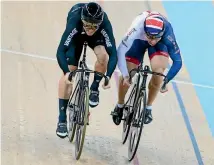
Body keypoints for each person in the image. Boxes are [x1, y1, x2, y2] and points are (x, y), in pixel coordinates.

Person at [56, 2, 117, 138]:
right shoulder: (75, 21)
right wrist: (66, 73)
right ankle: (62, 118)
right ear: (82, 20)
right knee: (70, 71)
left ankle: (94, 88)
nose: (90, 29)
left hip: (96, 39)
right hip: (76, 37)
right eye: (87, 25)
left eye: (94, 26)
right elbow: (61, 50)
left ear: (99, 23)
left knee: (103, 56)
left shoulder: (104, 24)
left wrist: (108, 76)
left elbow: (113, 54)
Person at [111, 11, 182, 125]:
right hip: (138, 41)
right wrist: (125, 75)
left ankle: (148, 108)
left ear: (162, 33)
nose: (152, 41)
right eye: (150, 36)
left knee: (158, 74)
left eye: (155, 38)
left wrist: (166, 80)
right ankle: (120, 105)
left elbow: (178, 61)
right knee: (128, 74)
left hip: (161, 44)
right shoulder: (137, 27)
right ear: (144, 30)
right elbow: (120, 51)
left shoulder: (168, 33)